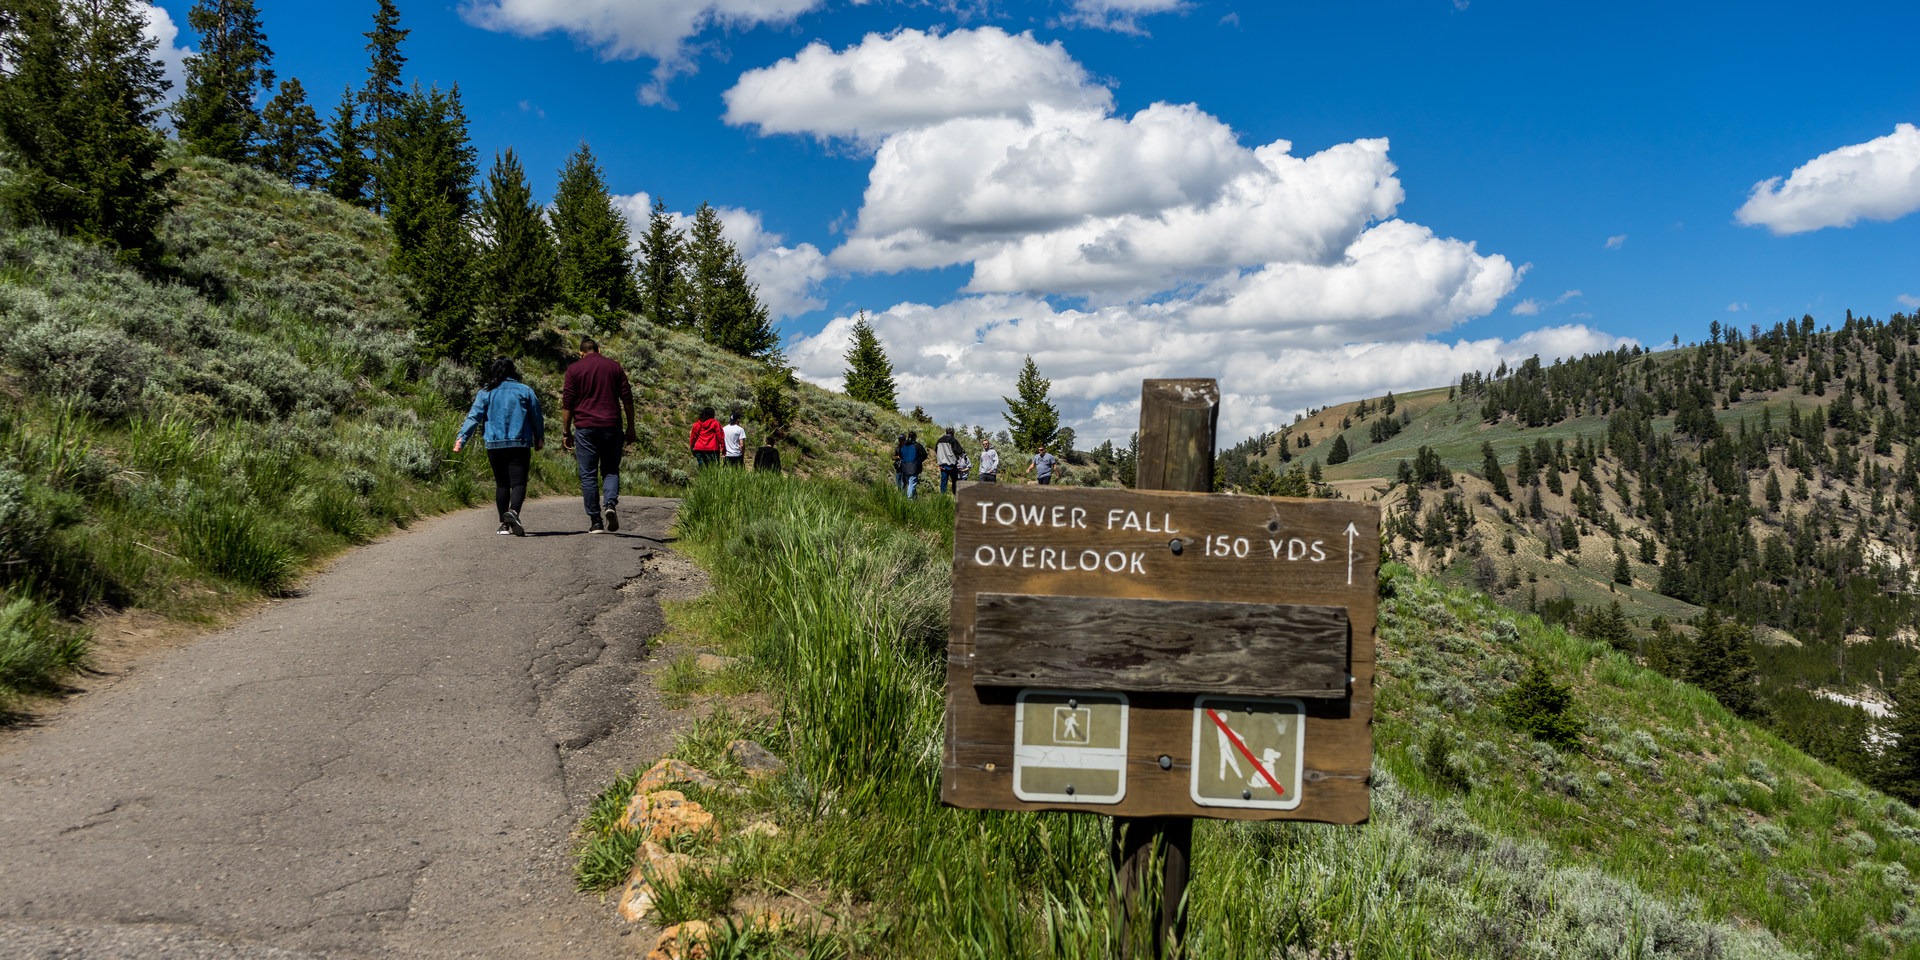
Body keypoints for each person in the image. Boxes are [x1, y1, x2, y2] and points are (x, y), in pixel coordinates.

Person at [453, 357, 544, 537]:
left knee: (502, 484)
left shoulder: (486, 392)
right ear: (513, 371)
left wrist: (461, 439)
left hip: (494, 444)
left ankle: (504, 525)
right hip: (519, 443)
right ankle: (514, 512)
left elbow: (474, 417)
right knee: (518, 482)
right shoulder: (525, 390)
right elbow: (536, 416)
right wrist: (539, 437)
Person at [561, 337, 636, 534]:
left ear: (581, 352)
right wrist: (631, 427)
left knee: (588, 473)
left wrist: (566, 431)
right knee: (610, 469)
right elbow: (627, 399)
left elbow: (567, 403)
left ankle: (595, 521)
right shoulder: (614, 367)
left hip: (585, 427)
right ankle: (610, 503)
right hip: (611, 425)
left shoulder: (574, 370)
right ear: (599, 350)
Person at [935, 426, 966, 495]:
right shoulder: (953, 440)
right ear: (952, 432)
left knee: (943, 482)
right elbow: (959, 451)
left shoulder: (939, 440)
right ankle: (955, 495)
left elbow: (936, 451)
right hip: (952, 464)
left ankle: (943, 497)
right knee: (955, 481)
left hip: (942, 465)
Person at [897, 430, 928, 498]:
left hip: (904, 468)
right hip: (914, 468)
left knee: (909, 483)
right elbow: (924, 455)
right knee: (912, 484)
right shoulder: (917, 446)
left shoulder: (903, 446)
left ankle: (914, 499)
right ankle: (909, 500)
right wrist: (919, 461)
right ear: (915, 437)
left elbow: (900, 454)